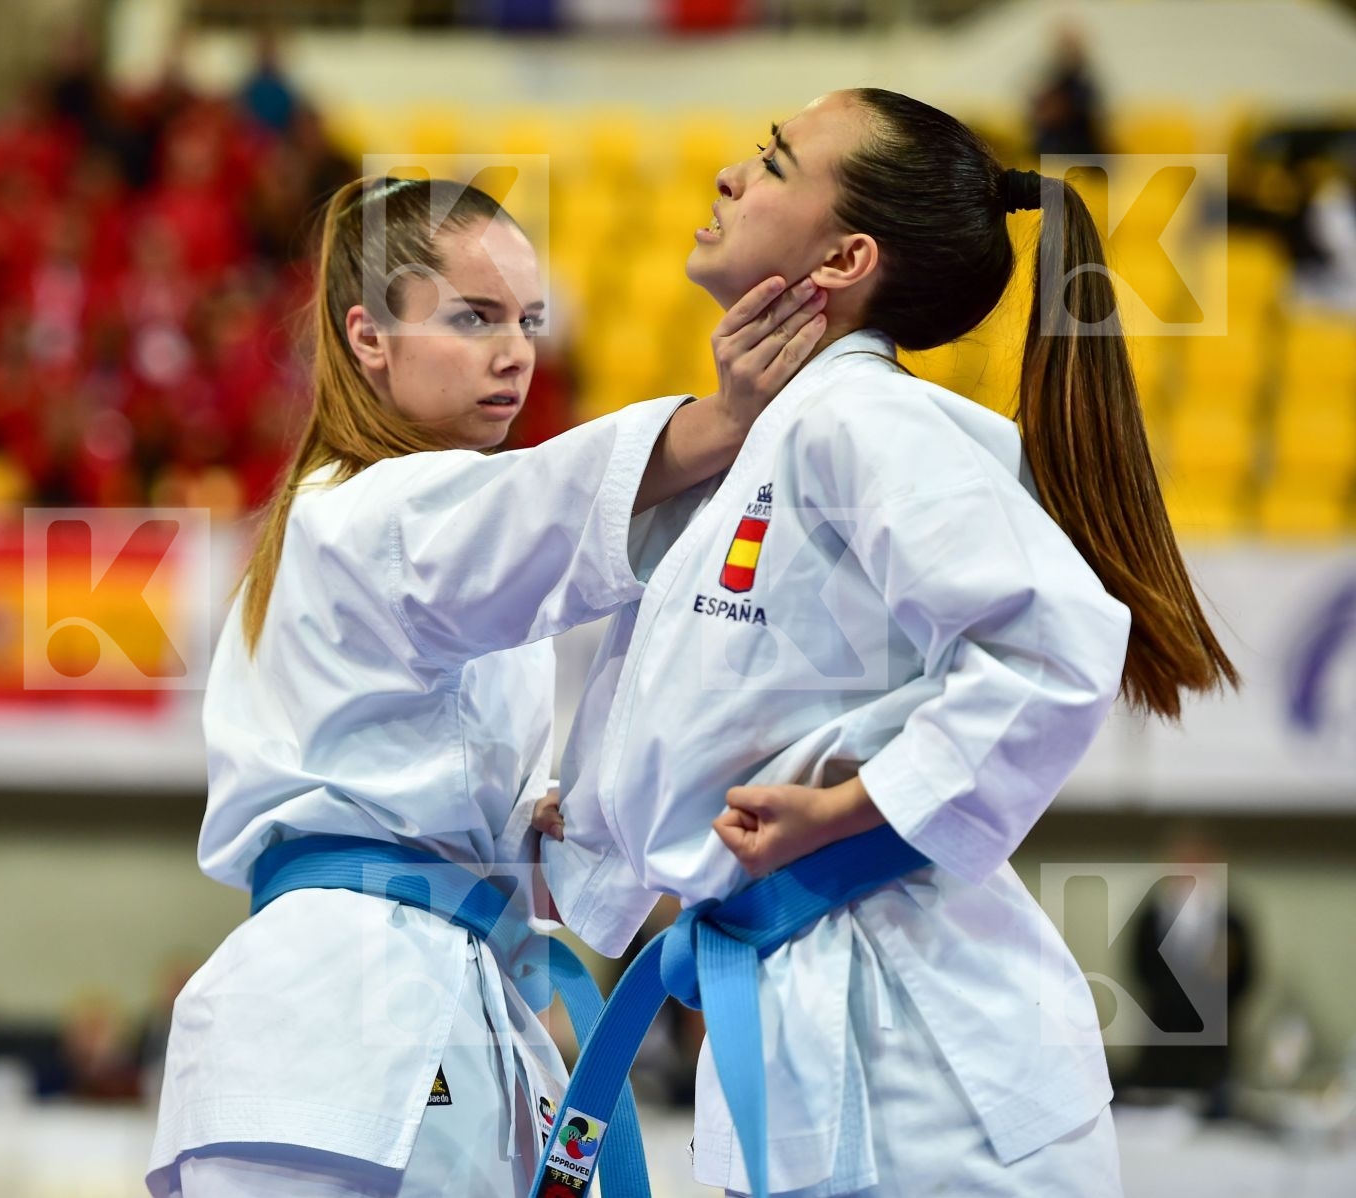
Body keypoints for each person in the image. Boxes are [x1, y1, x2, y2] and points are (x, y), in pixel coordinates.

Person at [538, 88, 1240, 1198]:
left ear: (845, 255)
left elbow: (1053, 647)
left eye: (772, 162)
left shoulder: (869, 421)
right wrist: (571, 839)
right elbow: (699, 714)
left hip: (922, 1050)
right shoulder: (769, 437)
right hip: (802, 1011)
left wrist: (848, 806)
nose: (730, 175)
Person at [145, 174, 827, 1197]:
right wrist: (723, 419)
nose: (515, 351)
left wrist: (543, 835)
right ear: (369, 336)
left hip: (396, 1001)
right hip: (352, 1012)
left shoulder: (374, 515)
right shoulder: (374, 513)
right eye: (473, 318)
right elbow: (542, 507)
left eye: (528, 320)